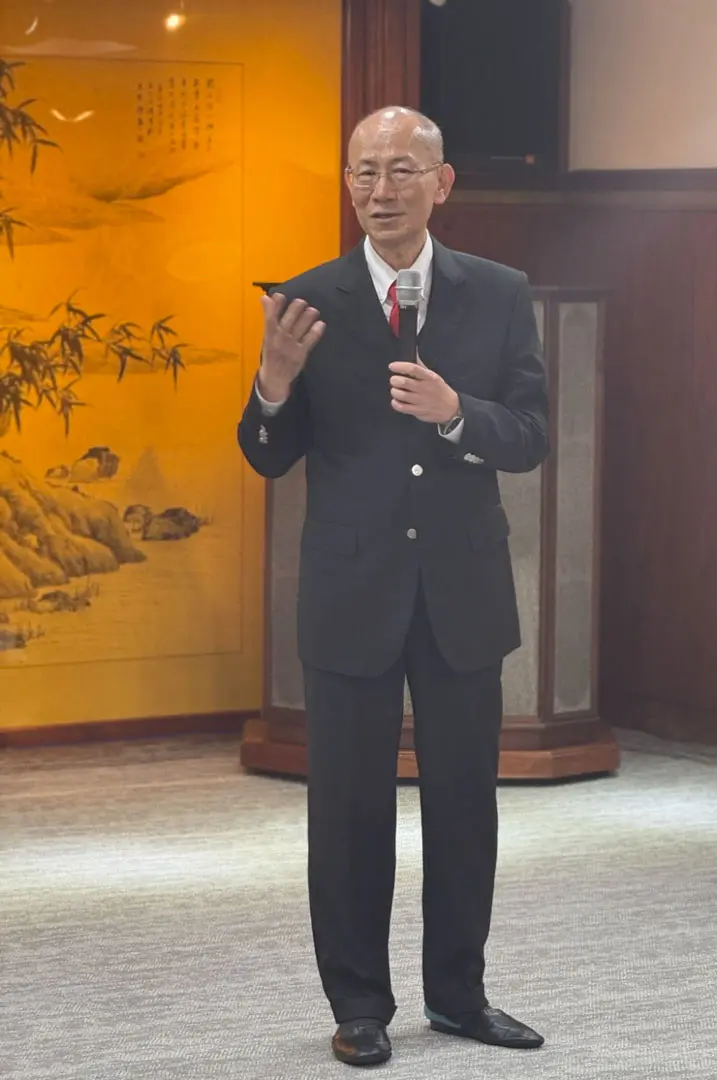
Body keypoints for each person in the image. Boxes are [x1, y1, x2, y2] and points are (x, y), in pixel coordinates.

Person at [237, 106, 549, 1066]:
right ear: (348, 184)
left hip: (463, 593)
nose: (381, 190)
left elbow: (530, 436)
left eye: (402, 170)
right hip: (350, 594)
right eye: (364, 172)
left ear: (441, 184)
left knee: (464, 806)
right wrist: (273, 382)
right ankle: (359, 1006)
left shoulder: (499, 293)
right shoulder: (306, 300)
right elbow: (266, 454)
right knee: (347, 813)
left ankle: (459, 997)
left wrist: (458, 413)